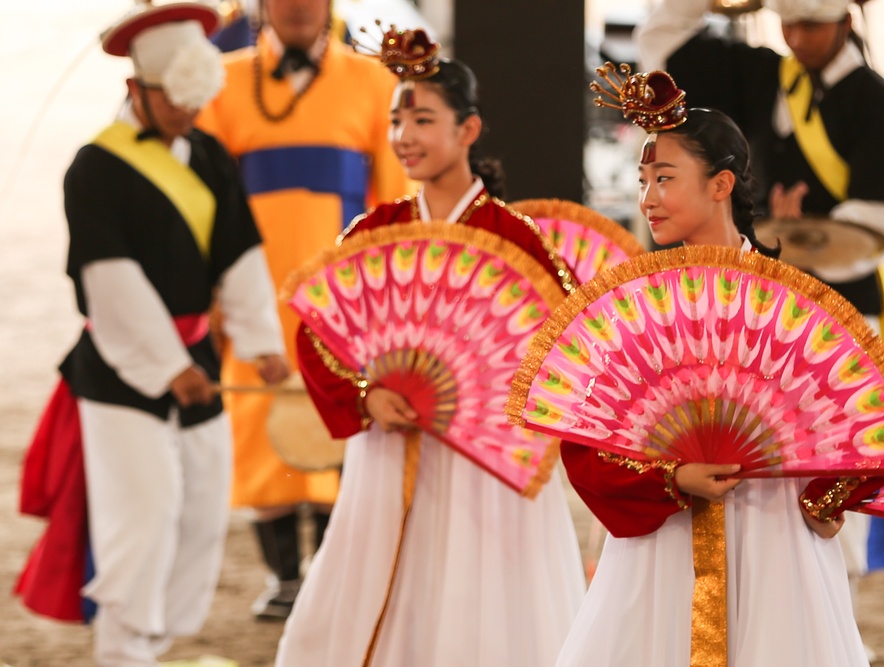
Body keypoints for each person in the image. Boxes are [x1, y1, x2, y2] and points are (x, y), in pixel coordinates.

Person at [273, 27, 584, 667]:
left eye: (422, 118)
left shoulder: (515, 239)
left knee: (484, 608)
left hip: (486, 466)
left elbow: (565, 350)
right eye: (395, 119)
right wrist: (367, 395)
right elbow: (319, 332)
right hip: (388, 448)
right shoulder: (378, 230)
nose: (404, 135)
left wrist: (494, 412)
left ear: (469, 130)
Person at [555, 65, 868, 667]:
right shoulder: (640, 305)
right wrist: (671, 478)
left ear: (721, 184)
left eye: (665, 178)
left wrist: (828, 499)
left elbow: (853, 416)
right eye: (643, 179)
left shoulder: (789, 300)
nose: (647, 198)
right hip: (662, 540)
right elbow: (587, 442)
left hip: (776, 538)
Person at [635, 0, 884, 645]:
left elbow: (883, 216)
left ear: (846, 21)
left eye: (811, 22)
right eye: (788, 21)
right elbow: (660, 45)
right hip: (747, 294)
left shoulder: (878, 101)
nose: (797, 36)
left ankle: (825, 613)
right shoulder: (763, 75)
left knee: (824, 470)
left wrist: (807, 230)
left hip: (833, 308)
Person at [15, 3, 289, 665]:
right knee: (140, 523)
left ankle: (156, 645)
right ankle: (123, 652)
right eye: (173, 99)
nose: (187, 113)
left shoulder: (210, 155)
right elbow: (111, 282)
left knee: (199, 512)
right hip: (122, 370)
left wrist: (262, 342)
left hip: (198, 354)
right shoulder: (94, 168)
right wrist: (170, 368)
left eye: (197, 100)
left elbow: (240, 254)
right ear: (136, 87)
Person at [196, 0, 411, 620]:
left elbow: (393, 200)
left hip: (344, 299)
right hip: (251, 293)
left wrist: (389, 297)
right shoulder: (225, 81)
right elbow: (207, 197)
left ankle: (329, 573)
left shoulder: (374, 81)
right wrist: (210, 295)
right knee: (259, 428)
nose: (296, 6)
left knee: (341, 422)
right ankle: (283, 576)